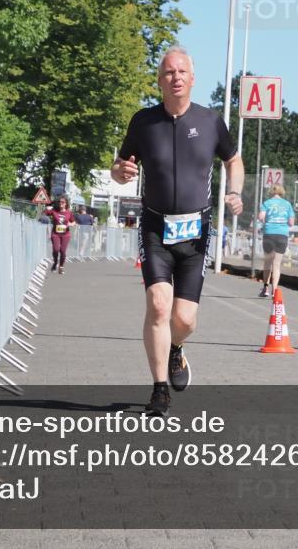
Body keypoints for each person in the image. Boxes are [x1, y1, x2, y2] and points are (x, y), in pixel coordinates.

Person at [111, 47, 244, 416]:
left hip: (195, 233)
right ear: (160, 80)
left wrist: (235, 192)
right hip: (155, 227)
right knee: (158, 304)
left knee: (183, 320)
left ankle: (176, 348)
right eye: (169, 72)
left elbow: (233, 160)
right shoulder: (143, 122)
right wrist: (119, 172)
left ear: (192, 78)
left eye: (182, 71)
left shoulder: (211, 121)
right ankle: (159, 391)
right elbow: (120, 166)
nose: (176, 77)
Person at [257, 184, 295, 298]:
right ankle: (275, 290)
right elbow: (291, 223)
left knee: (268, 262)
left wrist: (266, 220)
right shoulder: (287, 204)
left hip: (269, 234)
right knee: (277, 265)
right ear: (282, 192)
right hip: (282, 235)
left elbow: (260, 217)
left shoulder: (266, 203)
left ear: (271, 192)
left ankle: (265, 289)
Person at [46, 196, 75, 274]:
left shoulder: (69, 212)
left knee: (62, 251)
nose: (60, 203)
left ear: (66, 204)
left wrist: (70, 224)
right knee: (56, 249)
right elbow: (45, 213)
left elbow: (74, 222)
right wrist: (48, 208)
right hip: (55, 234)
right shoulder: (54, 211)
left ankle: (61, 266)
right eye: (59, 202)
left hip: (65, 234)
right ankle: (55, 262)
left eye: (62, 202)